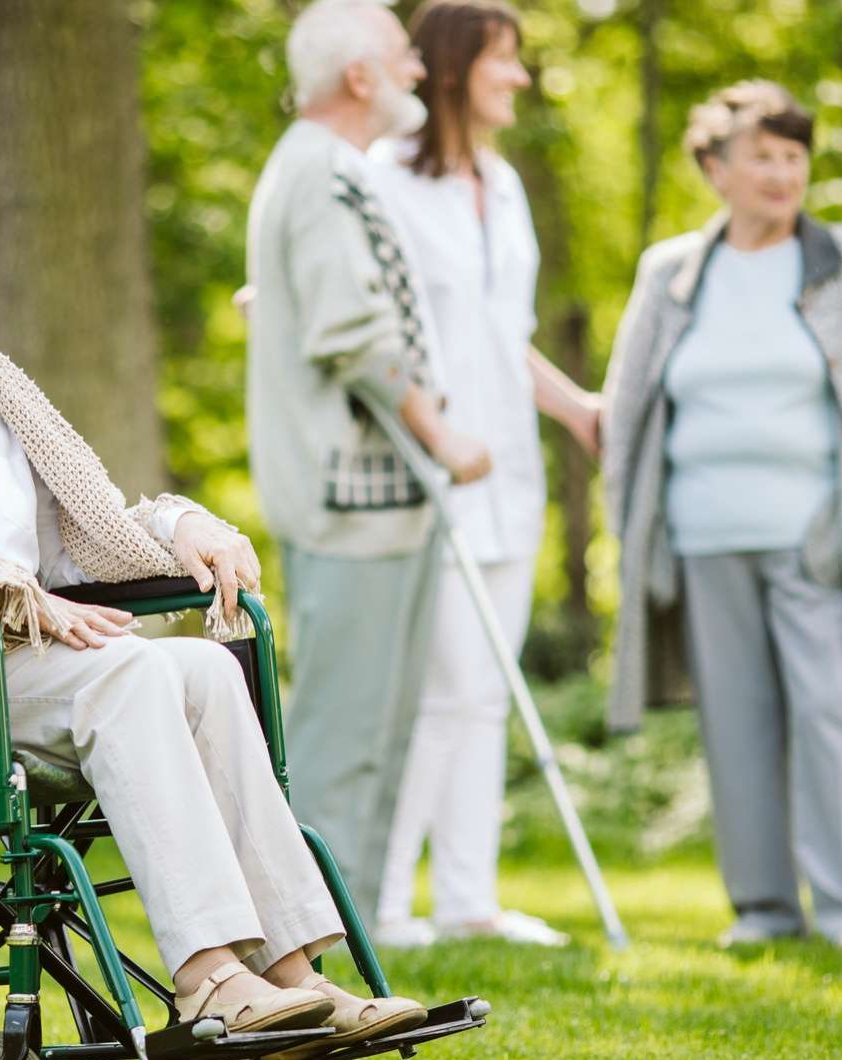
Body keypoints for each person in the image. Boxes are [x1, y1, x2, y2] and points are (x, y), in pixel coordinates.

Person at [0, 169, 429, 1052]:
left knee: (205, 667)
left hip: (20, 663)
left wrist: (181, 524)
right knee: (130, 674)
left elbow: (85, 533)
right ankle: (208, 975)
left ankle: (294, 976)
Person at [600, 81, 842, 950]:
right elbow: (627, 412)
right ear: (715, 168)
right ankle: (764, 909)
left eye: (794, 155)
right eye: (763, 155)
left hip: (816, 537)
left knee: (835, 718)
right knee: (736, 730)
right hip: (702, 538)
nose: (783, 173)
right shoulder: (670, 273)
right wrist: (628, 532)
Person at [244, 0, 493, 928]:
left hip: (381, 502)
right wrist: (445, 438)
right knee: (345, 733)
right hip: (351, 499)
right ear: (359, 76)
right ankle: (309, 938)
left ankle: (363, 921)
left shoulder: (325, 172)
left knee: (380, 729)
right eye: (402, 57)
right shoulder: (319, 176)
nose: (420, 72)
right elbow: (353, 334)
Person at [364, 0, 599, 949]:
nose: (521, 78)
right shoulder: (384, 179)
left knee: (484, 689)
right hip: (427, 467)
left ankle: (467, 898)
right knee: (438, 683)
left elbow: (508, 339)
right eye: (506, 61)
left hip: (507, 468)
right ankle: (378, 902)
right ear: (458, 68)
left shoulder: (500, 185)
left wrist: (578, 409)